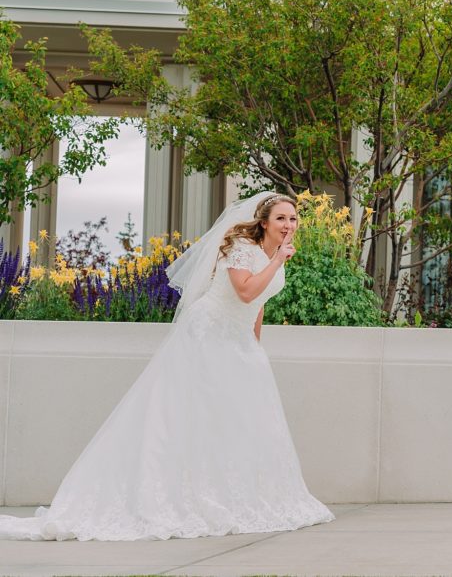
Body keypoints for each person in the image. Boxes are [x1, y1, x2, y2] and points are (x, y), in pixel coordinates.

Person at [0, 192, 334, 541]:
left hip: (237, 339)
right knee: (191, 413)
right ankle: (175, 496)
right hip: (207, 334)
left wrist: (254, 344)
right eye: (281, 218)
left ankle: (229, 494)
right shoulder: (242, 248)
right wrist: (277, 261)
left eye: (293, 219)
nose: (288, 225)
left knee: (235, 417)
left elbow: (258, 304)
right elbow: (246, 292)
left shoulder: (273, 255)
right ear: (264, 222)